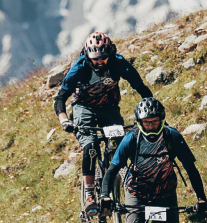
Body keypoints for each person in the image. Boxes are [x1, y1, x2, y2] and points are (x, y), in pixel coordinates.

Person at [51, 31, 152, 200]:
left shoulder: (118, 63)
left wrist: (151, 112)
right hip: (84, 108)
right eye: (94, 58)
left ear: (110, 53)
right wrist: (64, 120)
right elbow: (60, 97)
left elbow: (140, 87)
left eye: (103, 58)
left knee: (125, 141)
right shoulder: (80, 67)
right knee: (90, 146)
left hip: (109, 107)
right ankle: (89, 193)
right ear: (87, 55)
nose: (99, 62)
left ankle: (133, 180)